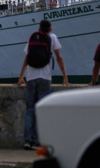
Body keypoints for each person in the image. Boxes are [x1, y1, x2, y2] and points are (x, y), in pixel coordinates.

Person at [17, 19, 69, 150]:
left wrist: (21, 77)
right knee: (41, 109)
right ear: (50, 29)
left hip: (31, 78)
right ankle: (39, 141)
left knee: (30, 110)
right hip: (45, 78)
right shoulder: (52, 37)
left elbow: (26, 58)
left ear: (39, 28)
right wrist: (65, 77)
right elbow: (59, 57)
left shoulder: (33, 37)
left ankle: (28, 140)